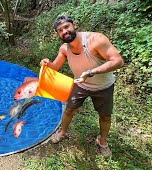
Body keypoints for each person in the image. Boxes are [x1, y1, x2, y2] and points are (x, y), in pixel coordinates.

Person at [40, 14, 124, 157]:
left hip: (103, 86)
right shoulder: (64, 49)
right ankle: (62, 133)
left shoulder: (96, 40)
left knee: (105, 116)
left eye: (67, 27)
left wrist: (91, 72)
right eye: (60, 30)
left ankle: (102, 142)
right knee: (69, 110)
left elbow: (118, 61)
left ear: (74, 25)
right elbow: (55, 67)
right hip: (80, 85)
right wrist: (47, 64)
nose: (64, 31)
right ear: (57, 34)